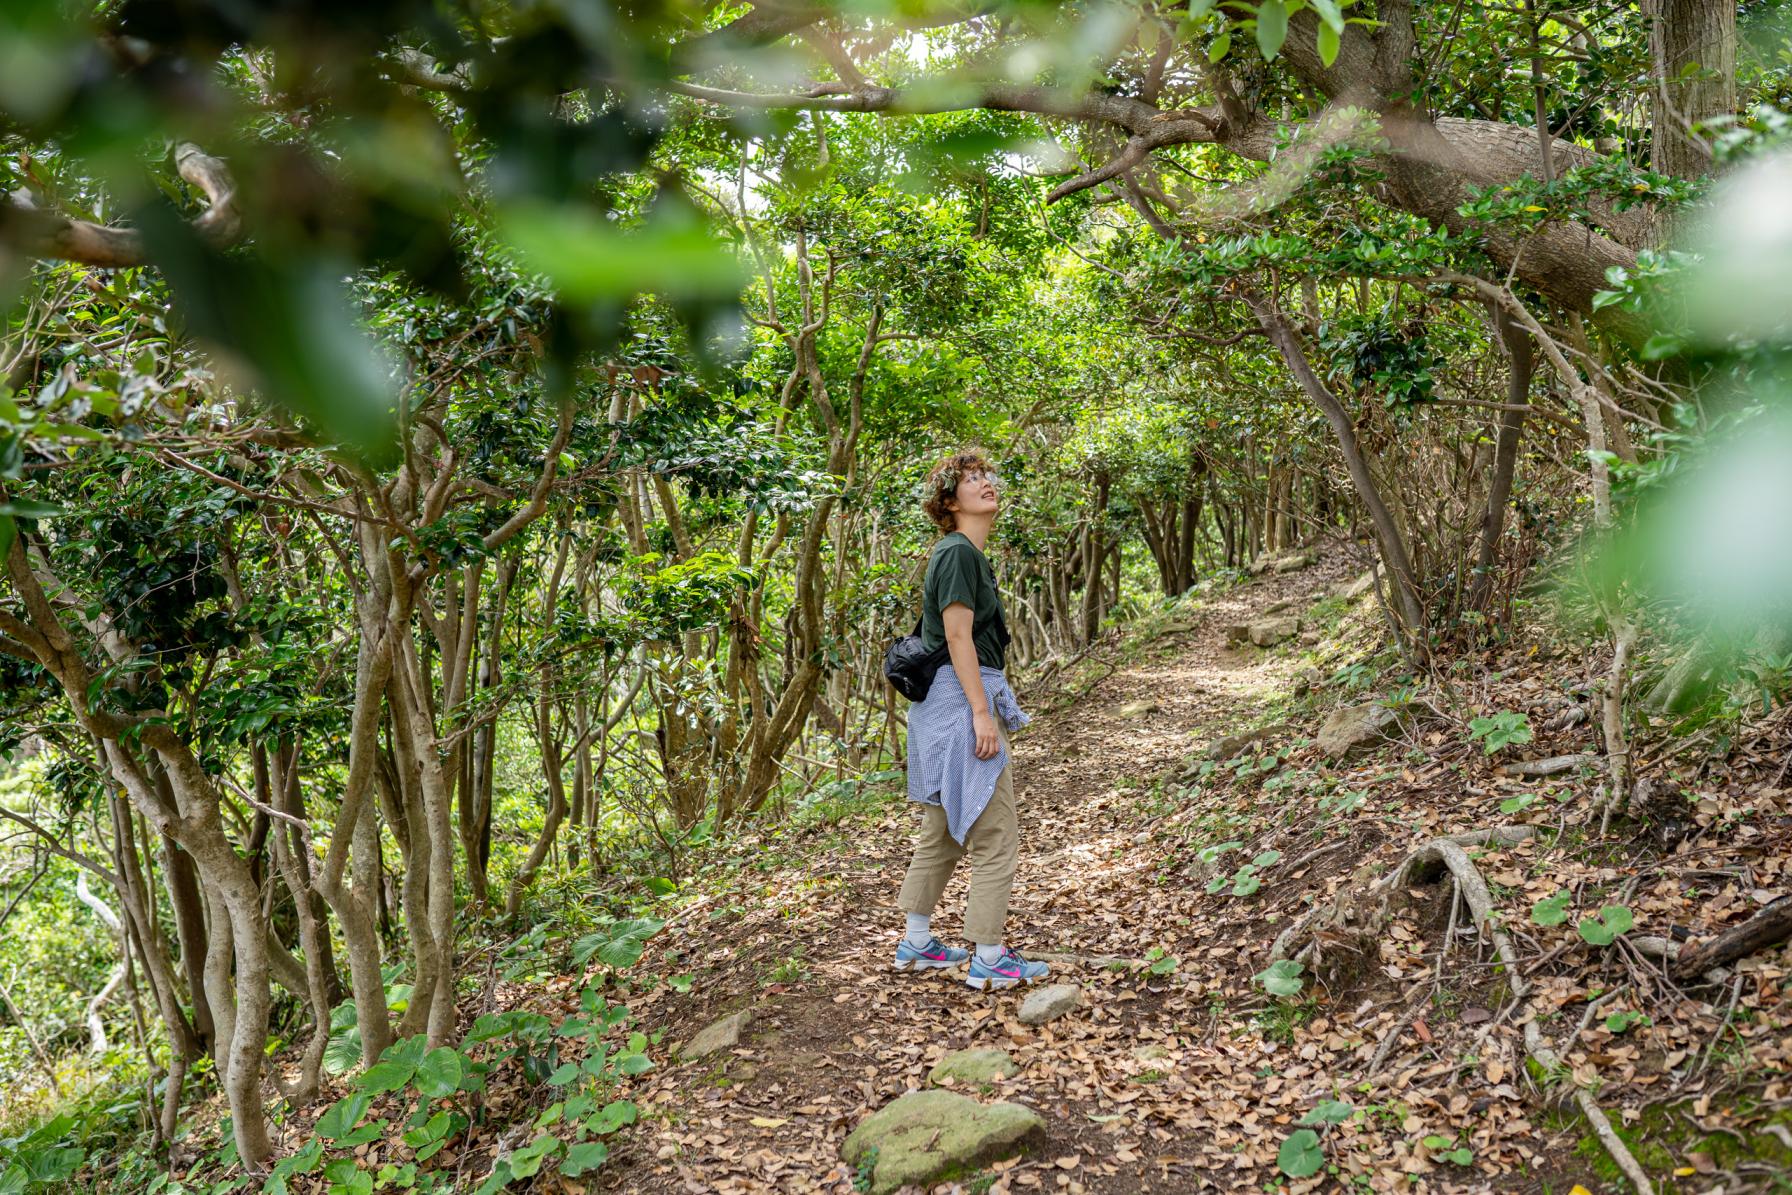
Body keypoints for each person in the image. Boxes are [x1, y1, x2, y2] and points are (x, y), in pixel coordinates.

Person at [892, 450, 1050, 990]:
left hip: (944, 702)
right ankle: (988, 956)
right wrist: (982, 713)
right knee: (996, 832)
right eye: (971, 480)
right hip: (962, 704)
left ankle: (916, 944)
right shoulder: (958, 553)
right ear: (948, 501)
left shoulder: (960, 553)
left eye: (987, 476)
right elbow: (958, 636)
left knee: (945, 828)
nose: (986, 484)